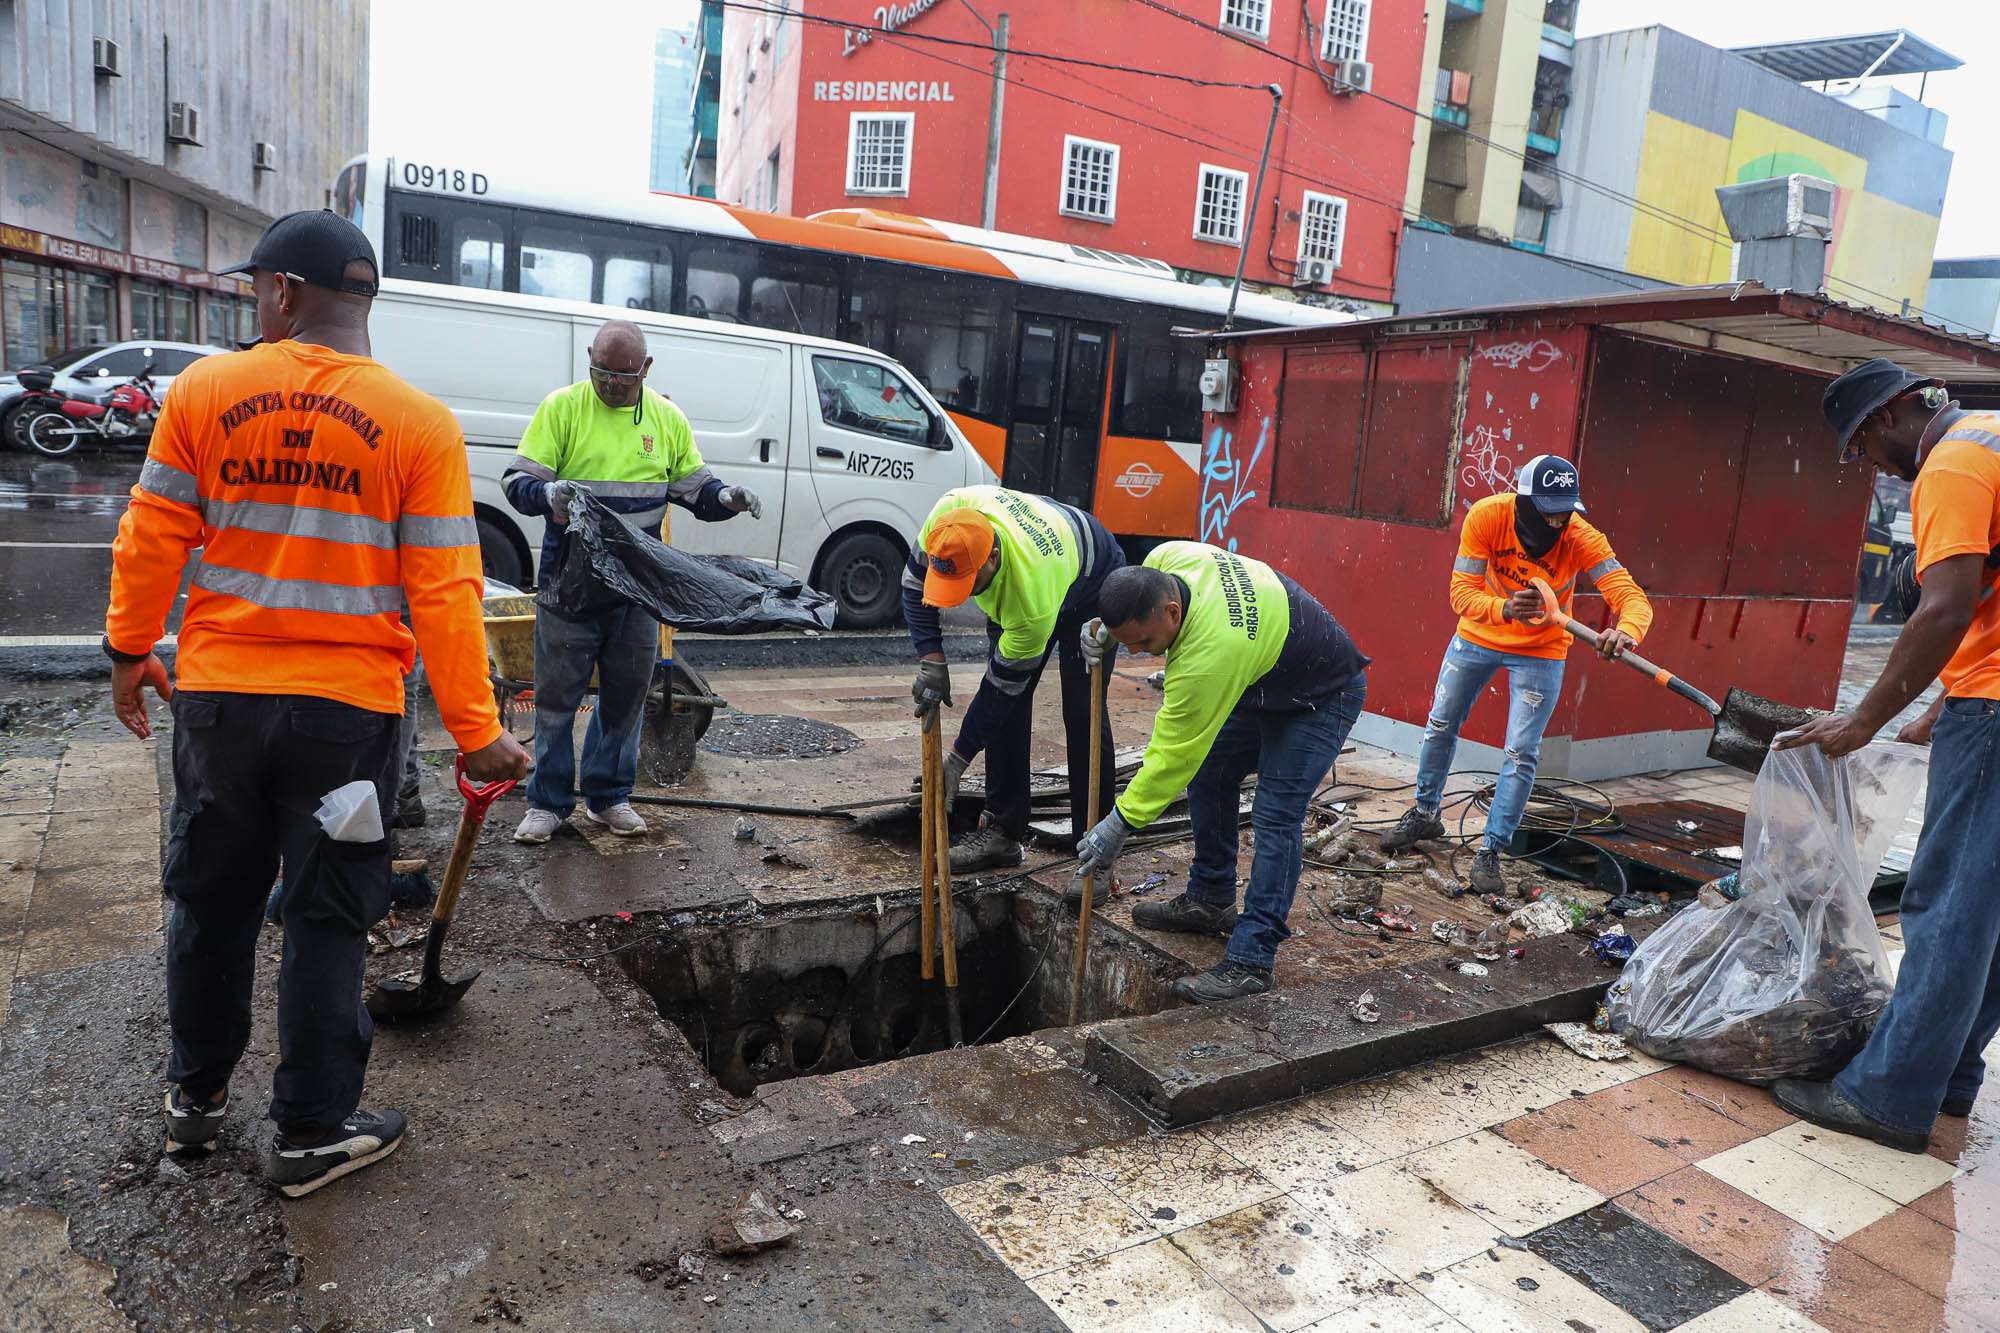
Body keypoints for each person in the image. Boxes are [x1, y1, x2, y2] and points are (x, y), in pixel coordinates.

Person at [104, 209, 531, 1196]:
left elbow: (151, 536)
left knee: (210, 907)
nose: (255, 303)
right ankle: (310, 1132)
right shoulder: (420, 424)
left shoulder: (207, 390)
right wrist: (478, 733)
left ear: (284, 293)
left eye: (259, 287)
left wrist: (129, 652)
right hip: (343, 725)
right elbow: (445, 594)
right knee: (327, 917)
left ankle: (196, 1103)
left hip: (218, 709)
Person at [1772, 357, 2000, 1153]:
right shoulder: (1993, 438)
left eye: (1861, 450)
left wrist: (1864, 718)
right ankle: (1952, 1077)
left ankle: (1891, 1097)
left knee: (1950, 907)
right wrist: (1944, 703)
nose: (1871, 467)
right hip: (1987, 696)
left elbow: (1943, 608)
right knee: (1994, 910)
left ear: (1885, 420)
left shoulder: (1953, 464)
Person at [1073, 542, 1369, 1002]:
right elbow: (1141, 611)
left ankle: (1252, 960)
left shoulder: (1207, 656)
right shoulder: (1167, 559)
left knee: (1275, 814)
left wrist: (1118, 824)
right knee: (1211, 770)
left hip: (1322, 691)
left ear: (1173, 612)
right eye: (1130, 643)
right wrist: (1108, 634)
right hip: (1265, 674)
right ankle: (1210, 899)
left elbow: (1172, 756)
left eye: (1145, 644)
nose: (1137, 653)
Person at [502, 320, 761, 844]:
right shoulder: (563, 408)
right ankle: (548, 803)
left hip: (638, 589)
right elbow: (517, 481)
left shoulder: (665, 420)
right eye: (601, 374)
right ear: (588, 359)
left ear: (645, 369)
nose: (611, 386)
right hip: (570, 586)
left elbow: (696, 490)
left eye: (622, 378)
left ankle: (609, 798)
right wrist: (547, 496)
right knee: (555, 702)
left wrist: (728, 498)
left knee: (624, 698)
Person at [1379, 455, 1652, 892]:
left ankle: (1491, 851)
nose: (1557, 521)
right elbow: (1460, 593)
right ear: (1523, 502)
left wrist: (1625, 633)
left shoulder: (1582, 537)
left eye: (1565, 512)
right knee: (1440, 724)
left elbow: (1632, 597)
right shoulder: (1487, 517)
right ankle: (1426, 814)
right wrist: (1502, 608)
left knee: (1520, 754)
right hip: (1477, 636)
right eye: (1547, 510)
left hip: (1542, 651)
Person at [902, 486, 1123, 879]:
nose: (964, 595)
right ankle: (1002, 833)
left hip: (1092, 578)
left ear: (994, 557)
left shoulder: (1028, 597)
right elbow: (913, 585)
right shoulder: (947, 517)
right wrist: (931, 658)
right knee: (1008, 713)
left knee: (1082, 710)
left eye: (971, 582)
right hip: (1048, 553)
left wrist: (956, 761)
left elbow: (1000, 691)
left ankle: (1096, 847)